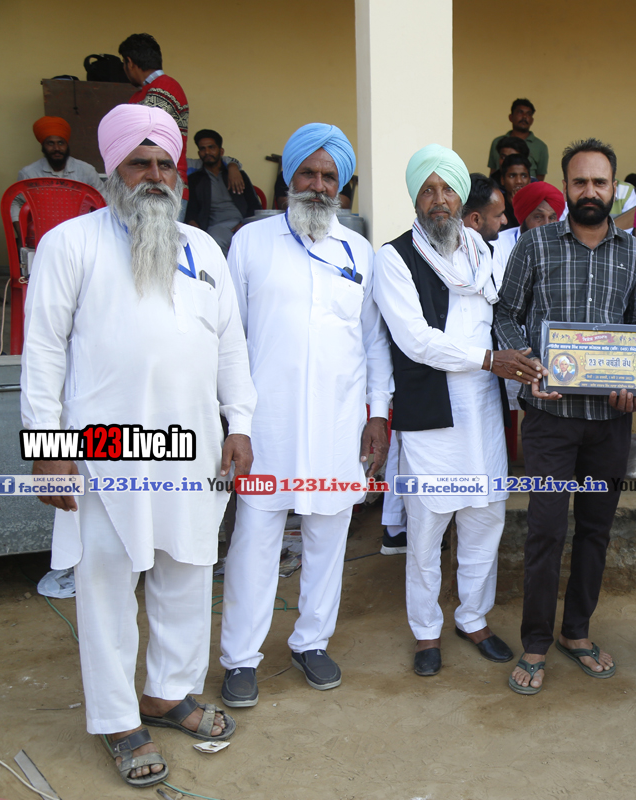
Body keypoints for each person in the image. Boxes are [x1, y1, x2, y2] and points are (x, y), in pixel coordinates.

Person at [20, 104, 254, 788]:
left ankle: (168, 693)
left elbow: (231, 345)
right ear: (111, 172)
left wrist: (240, 423)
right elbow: (43, 350)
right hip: (102, 445)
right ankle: (119, 719)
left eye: (163, 164)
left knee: (186, 569)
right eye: (138, 164)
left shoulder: (203, 248)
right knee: (106, 581)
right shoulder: (70, 243)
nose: (154, 176)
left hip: (194, 443)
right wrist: (46, 444)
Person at [219, 124, 391, 706]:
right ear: (289, 178)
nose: (319, 185)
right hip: (265, 424)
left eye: (329, 177)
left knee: (328, 535)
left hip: (339, 423)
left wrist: (377, 414)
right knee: (255, 541)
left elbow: (373, 342)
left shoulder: (358, 251)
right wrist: (234, 421)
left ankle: (311, 642)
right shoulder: (251, 242)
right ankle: (241, 657)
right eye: (308, 174)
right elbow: (230, 339)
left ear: (342, 187)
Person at [494, 138, 636, 695]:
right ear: (566, 187)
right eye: (580, 181)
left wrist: (634, 379)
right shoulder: (534, 245)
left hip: (609, 421)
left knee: (595, 529)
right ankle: (536, 641)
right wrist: (529, 364)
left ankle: (576, 631)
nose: (590, 191)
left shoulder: (635, 255)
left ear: (614, 189)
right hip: (548, 417)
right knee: (545, 529)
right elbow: (505, 314)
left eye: (599, 182)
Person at [376, 144, 533, 676]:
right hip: (430, 413)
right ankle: (426, 631)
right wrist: (490, 360)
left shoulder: (482, 254)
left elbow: (504, 317)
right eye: (428, 190)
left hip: (484, 412)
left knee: (484, 519)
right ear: (415, 199)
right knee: (426, 531)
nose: (438, 199)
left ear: (461, 197)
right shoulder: (394, 258)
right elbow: (416, 341)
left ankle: (473, 617)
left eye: (447, 189)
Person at [120, 34, 189, 188]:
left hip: (164, 186)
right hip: (145, 184)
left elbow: (143, 136)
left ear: (129, 62)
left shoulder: (164, 86)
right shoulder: (142, 94)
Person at [11, 116, 103, 228]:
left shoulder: (86, 170)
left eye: (60, 143)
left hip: (80, 229)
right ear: (43, 146)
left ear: (67, 144)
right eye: (50, 143)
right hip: (43, 231)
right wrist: (21, 233)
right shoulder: (29, 174)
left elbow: (102, 201)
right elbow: (17, 203)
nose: (57, 148)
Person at [184, 130, 260, 255]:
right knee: (214, 243)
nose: (207, 152)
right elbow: (191, 209)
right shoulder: (195, 179)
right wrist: (192, 224)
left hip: (242, 222)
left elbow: (254, 204)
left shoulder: (237, 175)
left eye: (211, 147)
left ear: (221, 151)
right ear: (199, 153)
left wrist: (244, 224)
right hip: (216, 227)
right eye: (202, 149)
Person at [494, 180, 566, 265]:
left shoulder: (566, 248)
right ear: (524, 216)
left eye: (552, 218)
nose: (546, 224)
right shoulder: (498, 246)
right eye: (538, 217)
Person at [486, 99, 548, 180]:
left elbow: (540, 177)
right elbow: (493, 171)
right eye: (520, 112)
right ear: (510, 117)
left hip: (527, 187)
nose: (524, 117)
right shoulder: (497, 142)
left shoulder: (541, 146)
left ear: (532, 120)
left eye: (528, 114)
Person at [462, 173, 509, 247]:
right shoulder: (452, 252)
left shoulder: (486, 248)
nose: (505, 221)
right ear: (476, 220)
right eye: (499, 215)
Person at [498, 153, 532, 229]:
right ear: (502, 180)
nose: (519, 181)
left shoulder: (537, 204)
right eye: (512, 176)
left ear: (529, 180)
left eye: (524, 176)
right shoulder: (497, 206)